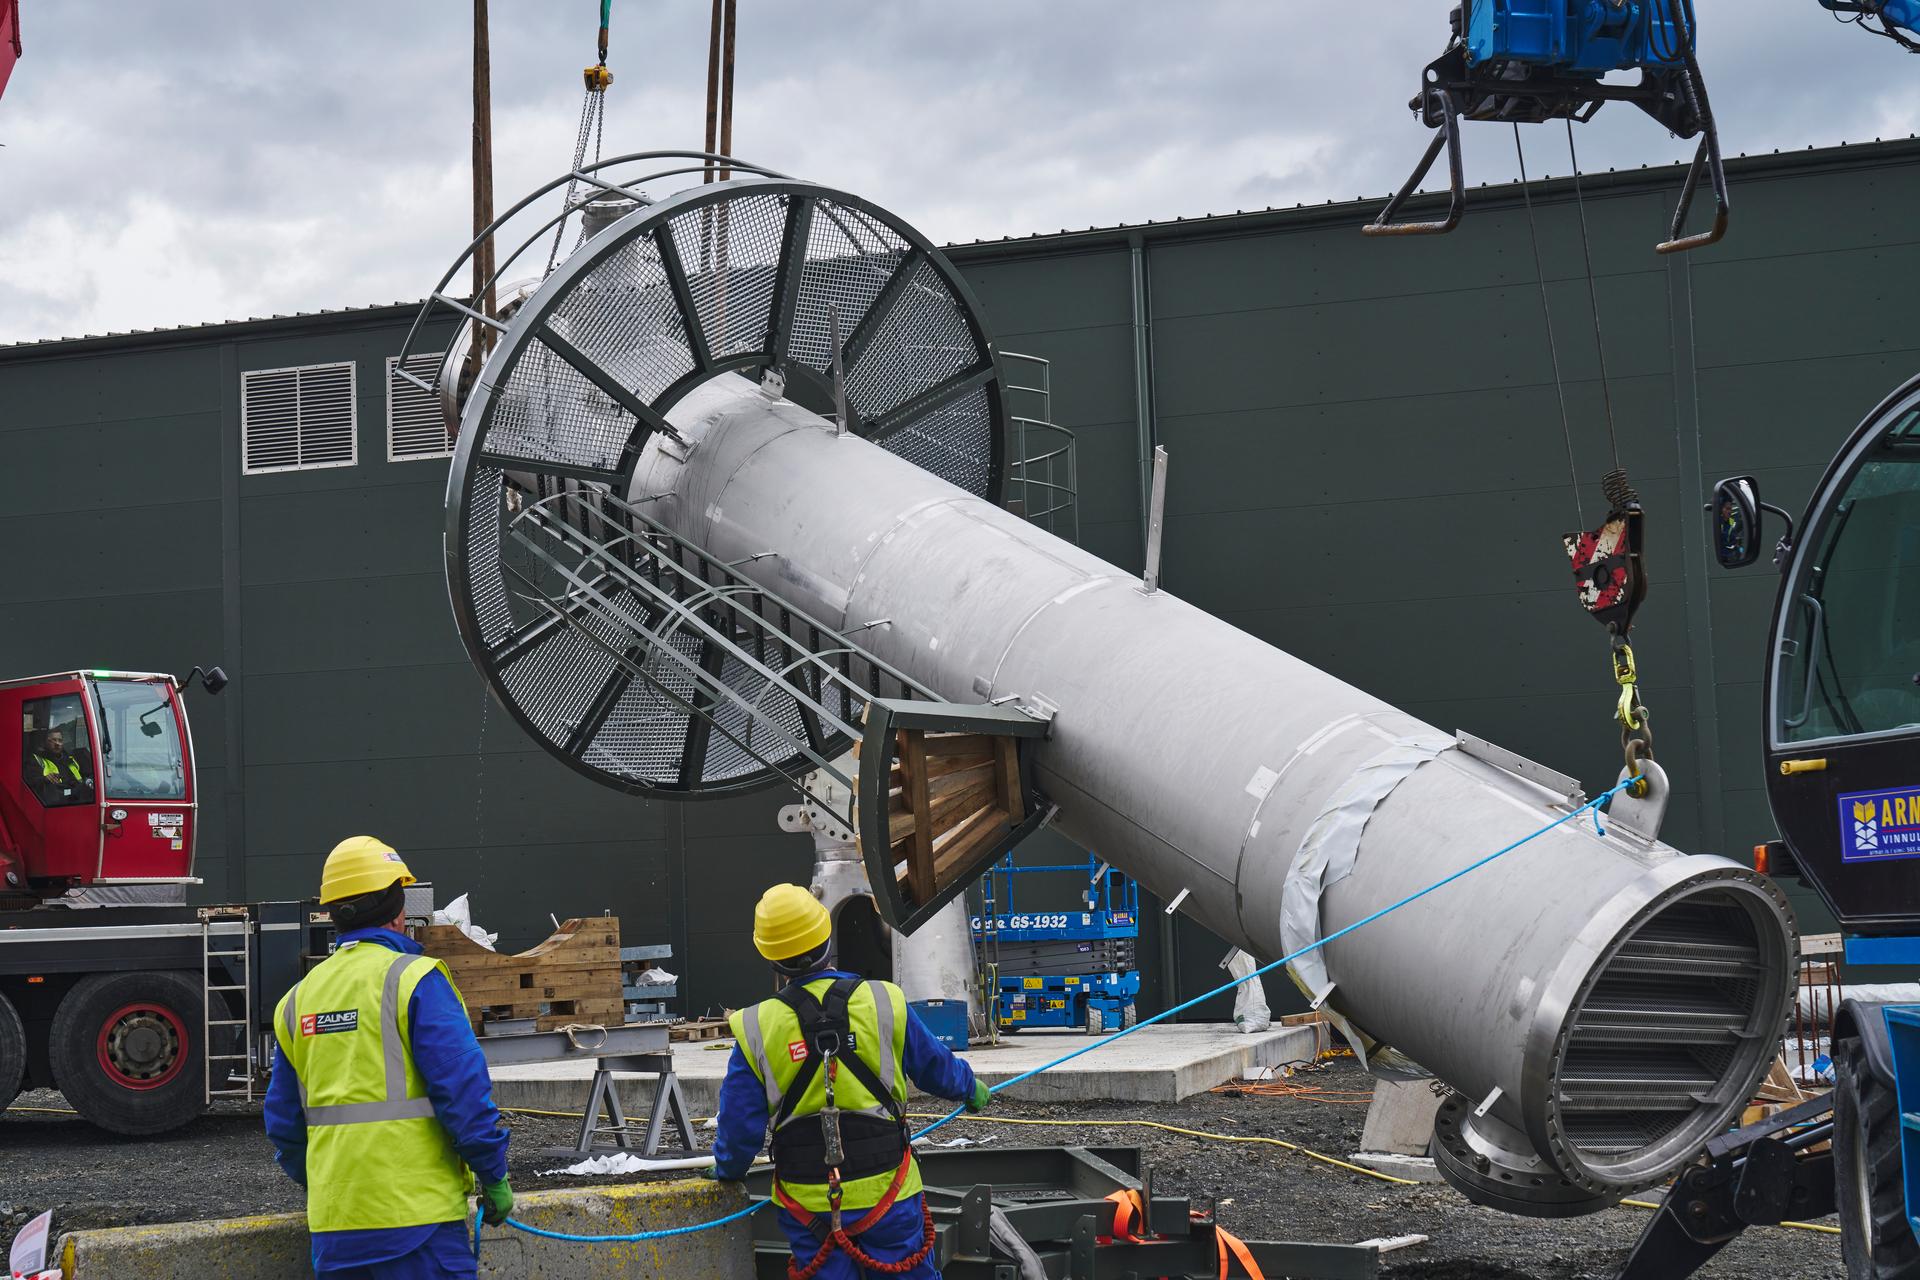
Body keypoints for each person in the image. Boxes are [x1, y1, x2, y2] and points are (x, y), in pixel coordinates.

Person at [708, 884, 991, 1280]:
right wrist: (970, 1087)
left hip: (809, 1204)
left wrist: (727, 1170)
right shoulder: (884, 1000)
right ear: (826, 935)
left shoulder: (756, 1027)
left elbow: (740, 1126)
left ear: (770, 957)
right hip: (889, 1195)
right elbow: (935, 1068)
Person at [264, 836, 513, 1279]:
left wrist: (337, 1189)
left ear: (334, 915)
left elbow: (284, 1126)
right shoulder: (415, 980)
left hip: (336, 1232)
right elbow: (463, 1094)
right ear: (399, 912)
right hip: (420, 1225)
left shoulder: (297, 1000)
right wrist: (492, 1175)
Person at [27, 728, 91, 804]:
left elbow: (87, 777)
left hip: (81, 800)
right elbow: (31, 783)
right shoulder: (36, 760)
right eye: (53, 740)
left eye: (60, 740)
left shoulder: (72, 759)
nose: (57, 743)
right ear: (45, 742)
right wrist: (45, 779)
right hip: (56, 804)